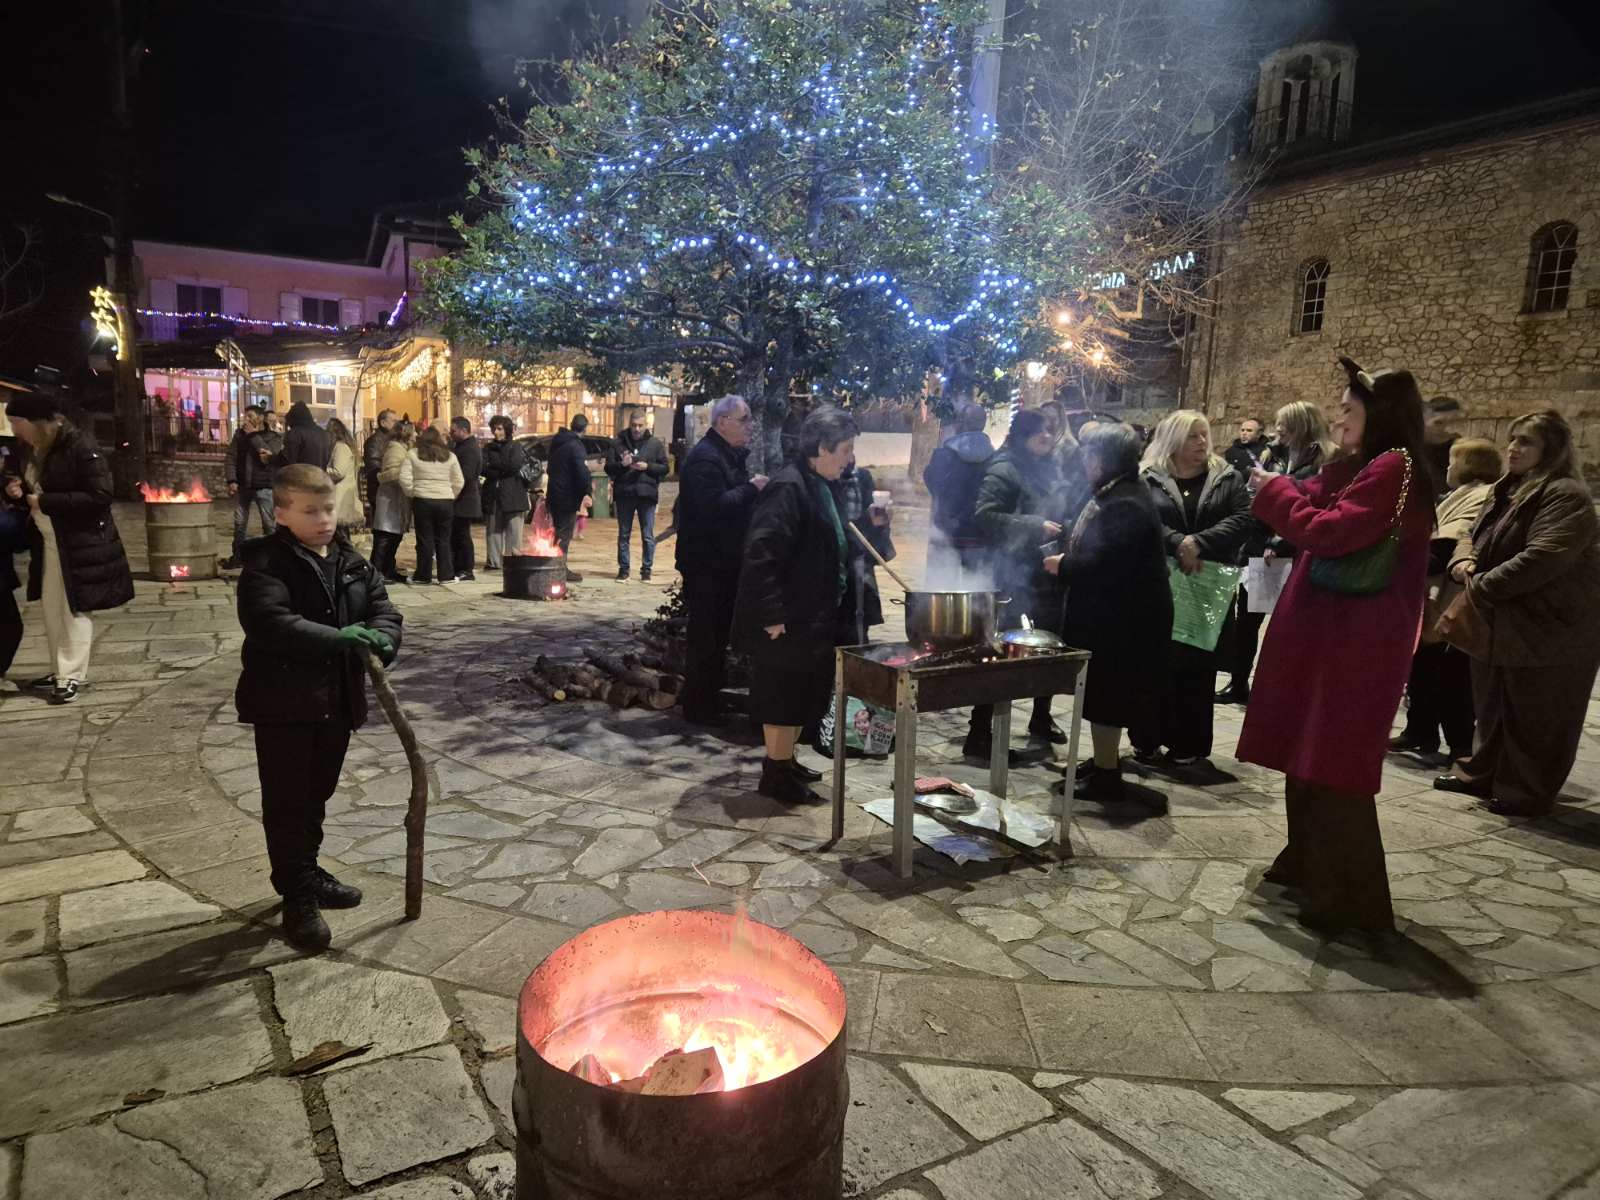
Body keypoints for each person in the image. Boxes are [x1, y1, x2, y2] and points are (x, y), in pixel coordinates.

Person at [1238, 358, 1434, 932]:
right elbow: (1321, 495)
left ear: (1380, 413)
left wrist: (1275, 492)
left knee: (1333, 762)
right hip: (1334, 637)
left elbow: (1328, 531)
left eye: (1348, 410)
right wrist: (1281, 486)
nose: (1338, 419)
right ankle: (1307, 863)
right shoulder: (1373, 464)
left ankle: (1347, 898)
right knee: (1311, 754)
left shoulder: (1393, 466)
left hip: (1354, 644)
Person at [236, 463, 402, 951]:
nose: (324, 519)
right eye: (310, 511)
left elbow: (383, 608)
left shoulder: (350, 560)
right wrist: (337, 639)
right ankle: (297, 895)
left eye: (328, 508)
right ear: (281, 513)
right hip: (285, 703)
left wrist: (385, 638)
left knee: (317, 795)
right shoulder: (268, 564)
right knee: (288, 801)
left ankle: (306, 870)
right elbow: (270, 622)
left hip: (336, 701)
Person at [1436, 411, 1600, 817]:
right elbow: (1472, 532)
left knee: (1537, 715)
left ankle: (1525, 791)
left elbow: (1544, 557)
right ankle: (1482, 773)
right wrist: (1463, 559)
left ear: (1552, 449)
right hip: (1501, 619)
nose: (1512, 448)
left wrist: (1479, 585)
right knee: (1493, 707)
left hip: (1551, 626)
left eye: (1525, 441)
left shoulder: (1565, 495)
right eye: (1512, 439)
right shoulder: (1506, 488)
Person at [1043, 423, 1172, 803]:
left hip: (1125, 623)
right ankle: (1105, 761)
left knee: (1109, 697)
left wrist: (1064, 565)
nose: (1083, 461)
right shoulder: (1118, 491)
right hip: (1116, 616)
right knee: (1104, 695)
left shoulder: (1125, 503)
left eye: (1088, 454)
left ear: (1101, 460)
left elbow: (1107, 565)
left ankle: (1106, 776)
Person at [735, 407, 858, 802]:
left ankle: (785, 761)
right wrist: (772, 614)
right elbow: (761, 552)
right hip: (787, 617)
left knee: (798, 693)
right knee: (781, 694)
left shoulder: (817, 482)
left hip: (810, 614)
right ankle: (775, 774)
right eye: (845, 449)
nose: (850, 458)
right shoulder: (789, 487)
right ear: (821, 448)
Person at [1131, 410, 1251, 765]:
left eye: (1204, 435)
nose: (1201, 442)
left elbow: (1244, 518)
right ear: (1173, 439)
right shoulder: (1148, 478)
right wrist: (1177, 542)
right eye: (1192, 436)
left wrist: (1199, 543)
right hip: (1160, 582)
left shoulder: (1226, 477)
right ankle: (1147, 737)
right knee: (1154, 662)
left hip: (1206, 583)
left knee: (1198, 666)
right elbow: (1141, 519)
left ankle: (1188, 742)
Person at [3, 393, 134, 705]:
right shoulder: (31, 449)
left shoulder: (79, 446)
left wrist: (45, 501)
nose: (14, 429)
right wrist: (16, 490)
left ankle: (70, 675)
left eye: (18, 422)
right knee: (52, 607)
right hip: (49, 540)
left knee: (73, 607)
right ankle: (59, 668)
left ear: (38, 422)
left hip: (79, 542)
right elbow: (32, 486)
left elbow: (100, 495)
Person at [1217, 400, 1339, 704]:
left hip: (1297, 550)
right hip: (1260, 548)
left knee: (1291, 624)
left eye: (1284, 423)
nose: (1278, 428)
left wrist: (1281, 540)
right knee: (1248, 620)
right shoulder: (1270, 454)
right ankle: (1238, 683)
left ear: (1302, 424)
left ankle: (1284, 689)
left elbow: (1317, 504)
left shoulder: (1326, 458)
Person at [1389, 438, 1501, 765]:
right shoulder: (1457, 494)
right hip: (1433, 594)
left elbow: (1451, 542)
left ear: (1468, 465)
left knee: (1451, 677)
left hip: (1452, 595)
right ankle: (1420, 731)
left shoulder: (1481, 496)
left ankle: (1460, 746)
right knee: (1423, 667)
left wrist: (1403, 562)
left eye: (1454, 460)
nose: (1448, 467)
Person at [965, 408, 1064, 759]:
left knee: (1048, 645)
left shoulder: (1048, 466)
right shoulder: (1004, 468)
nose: (1047, 437)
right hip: (1010, 574)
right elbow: (984, 515)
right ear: (1022, 435)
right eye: (1040, 432)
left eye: (1050, 431)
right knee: (1001, 651)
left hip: (1044, 572)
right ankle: (980, 732)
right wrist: (1035, 525)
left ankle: (1041, 716)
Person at [677, 394, 769, 725]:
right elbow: (712, 507)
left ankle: (707, 702)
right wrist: (752, 489)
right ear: (723, 422)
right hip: (707, 565)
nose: (750, 426)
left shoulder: (725, 455)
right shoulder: (706, 459)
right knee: (706, 638)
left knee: (716, 638)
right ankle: (698, 709)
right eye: (744, 420)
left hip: (721, 563)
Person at [923, 401, 994, 575]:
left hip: (946, 535)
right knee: (977, 588)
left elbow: (933, 484)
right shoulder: (996, 458)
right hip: (980, 537)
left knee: (942, 588)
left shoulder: (943, 456)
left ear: (960, 424)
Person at [832, 460, 894, 645]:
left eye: (851, 449)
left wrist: (879, 522)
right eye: (845, 450)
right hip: (833, 565)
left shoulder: (862, 477)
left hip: (860, 564)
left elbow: (869, 525)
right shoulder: (823, 482)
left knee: (858, 627)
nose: (849, 457)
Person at [606, 407, 669, 581]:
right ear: (629, 424)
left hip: (647, 494)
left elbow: (665, 468)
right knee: (624, 534)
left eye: (640, 425)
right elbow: (608, 468)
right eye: (634, 425)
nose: (637, 429)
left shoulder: (655, 444)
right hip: (625, 493)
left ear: (646, 425)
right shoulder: (618, 443)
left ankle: (646, 569)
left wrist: (648, 466)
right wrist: (622, 465)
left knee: (647, 534)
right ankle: (624, 569)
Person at [400, 426, 465, 584]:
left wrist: (413, 492)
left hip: (422, 500)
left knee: (424, 539)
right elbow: (459, 480)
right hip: (445, 501)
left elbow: (404, 478)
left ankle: (423, 575)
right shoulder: (450, 456)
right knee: (444, 539)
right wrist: (451, 494)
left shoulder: (413, 454)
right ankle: (446, 575)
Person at [222, 406, 273, 569]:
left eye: (250, 416)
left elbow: (268, 453)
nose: (246, 420)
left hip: (263, 486)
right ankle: (237, 557)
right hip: (243, 486)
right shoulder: (239, 434)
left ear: (260, 418)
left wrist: (253, 435)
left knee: (269, 524)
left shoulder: (270, 434)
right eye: (245, 416)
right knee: (239, 523)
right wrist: (231, 480)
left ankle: (273, 560)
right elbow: (231, 457)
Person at [481, 416, 532, 571]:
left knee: (514, 532)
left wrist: (494, 467)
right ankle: (494, 562)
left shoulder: (515, 446)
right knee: (493, 531)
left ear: (507, 430)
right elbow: (483, 468)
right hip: (494, 494)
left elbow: (514, 466)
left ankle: (512, 561)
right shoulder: (488, 448)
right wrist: (499, 468)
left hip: (514, 494)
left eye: (500, 429)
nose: (496, 432)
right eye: (494, 428)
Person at [545, 413, 593, 563]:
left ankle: (555, 565)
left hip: (554, 493)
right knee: (564, 534)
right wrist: (587, 491)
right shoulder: (576, 446)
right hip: (567, 496)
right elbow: (582, 472)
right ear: (584, 429)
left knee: (558, 532)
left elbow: (550, 468)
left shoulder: (557, 442)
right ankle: (558, 567)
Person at [371, 421, 414, 583]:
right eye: (414, 432)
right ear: (406, 434)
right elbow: (389, 474)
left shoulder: (402, 448)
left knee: (394, 538)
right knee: (385, 538)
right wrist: (407, 473)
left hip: (397, 499)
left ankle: (388, 569)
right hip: (390, 500)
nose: (416, 435)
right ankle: (377, 573)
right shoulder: (395, 449)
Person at [449, 417, 482, 581]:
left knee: (462, 535)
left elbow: (466, 475)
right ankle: (458, 567)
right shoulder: (461, 446)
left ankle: (466, 569)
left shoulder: (469, 449)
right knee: (457, 534)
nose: (451, 433)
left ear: (463, 430)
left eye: (453, 431)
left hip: (465, 499)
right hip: (461, 498)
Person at [325, 418, 362, 536]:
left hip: (340, 496)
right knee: (341, 535)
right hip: (343, 495)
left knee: (340, 535)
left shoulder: (340, 447)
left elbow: (339, 472)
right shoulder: (344, 447)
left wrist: (322, 470)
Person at [1423, 396, 1463, 500]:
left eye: (1455, 423)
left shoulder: (1462, 452)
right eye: (1439, 423)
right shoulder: (1408, 453)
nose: (1449, 430)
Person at [275, 401, 331, 470]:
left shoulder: (295, 433)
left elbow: (287, 460)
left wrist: (270, 458)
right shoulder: (323, 433)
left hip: (301, 475)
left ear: (292, 419)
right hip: (320, 475)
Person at [363, 409, 397, 523]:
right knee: (382, 526)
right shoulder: (374, 441)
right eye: (393, 421)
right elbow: (374, 468)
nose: (396, 424)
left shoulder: (391, 440)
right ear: (383, 423)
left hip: (390, 491)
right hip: (379, 492)